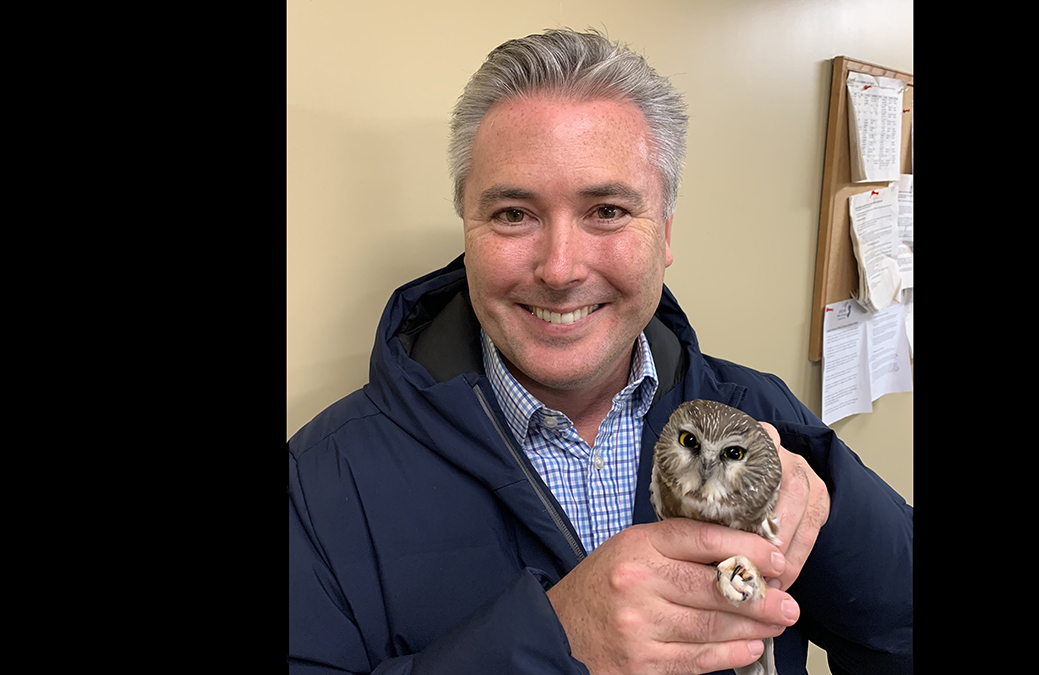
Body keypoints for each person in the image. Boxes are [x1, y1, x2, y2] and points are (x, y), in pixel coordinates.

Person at [288, 28, 913, 675]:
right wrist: (551, 644)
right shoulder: (320, 480)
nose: (560, 268)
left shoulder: (759, 411)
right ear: (468, 230)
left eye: (608, 210)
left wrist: (833, 509)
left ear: (664, 233)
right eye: (512, 214)